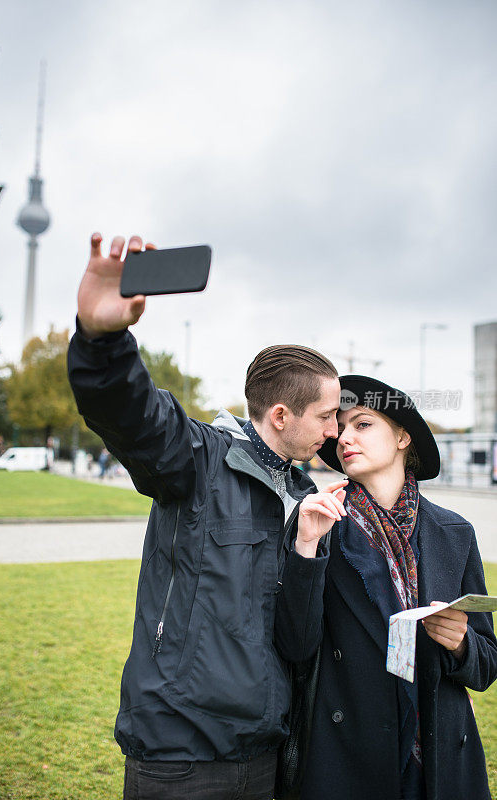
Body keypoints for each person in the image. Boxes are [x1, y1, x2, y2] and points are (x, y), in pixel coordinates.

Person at [67, 232, 344, 800]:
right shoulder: (196, 460)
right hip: (182, 759)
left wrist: (308, 552)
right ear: (282, 414)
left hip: (265, 754)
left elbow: (296, 642)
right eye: (328, 415)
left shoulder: (300, 492)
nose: (334, 431)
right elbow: (133, 414)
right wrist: (102, 340)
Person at [275, 375, 497, 800]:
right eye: (339, 428)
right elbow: (294, 645)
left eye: (362, 424)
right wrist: (305, 546)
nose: (344, 438)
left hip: (436, 754)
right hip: (347, 750)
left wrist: (461, 644)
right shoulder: (320, 524)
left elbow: (487, 663)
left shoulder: (454, 532)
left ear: (401, 437)